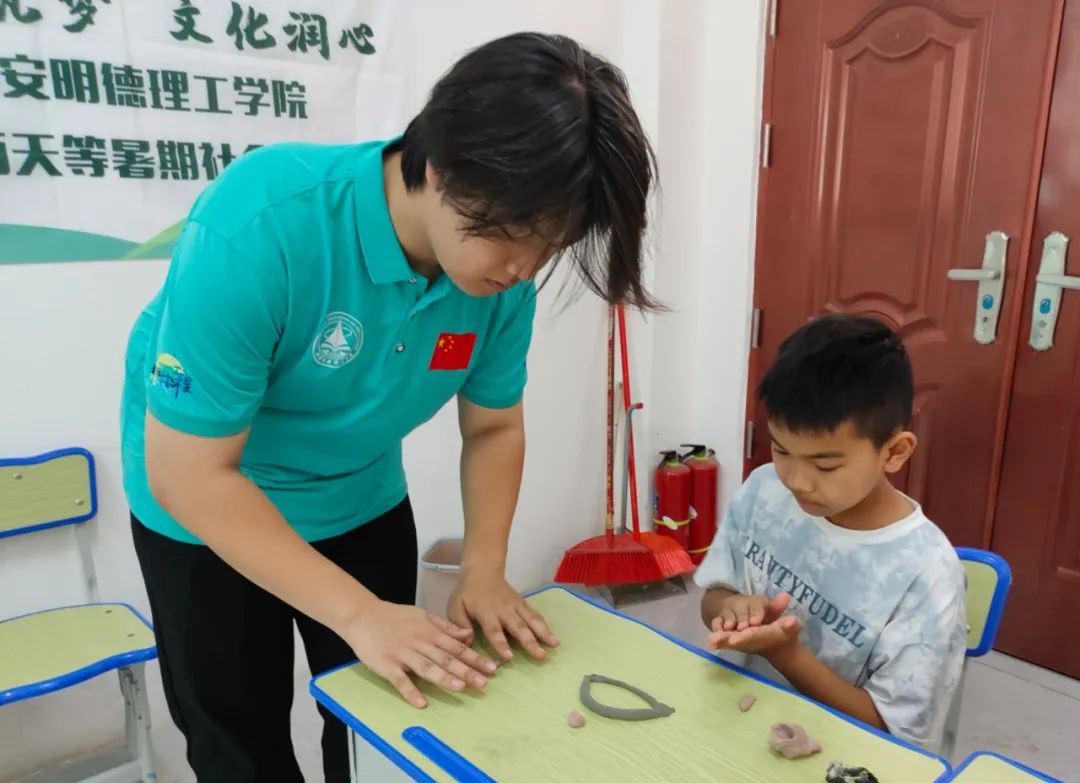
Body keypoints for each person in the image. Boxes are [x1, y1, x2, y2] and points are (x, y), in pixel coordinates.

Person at [119, 32, 659, 782]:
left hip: (356, 495)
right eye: (514, 235)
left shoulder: (500, 286)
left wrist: (483, 567)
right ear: (441, 166)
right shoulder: (260, 224)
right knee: (239, 744)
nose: (523, 269)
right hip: (207, 512)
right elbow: (191, 473)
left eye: (551, 245)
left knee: (383, 721)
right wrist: (359, 613)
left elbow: (494, 426)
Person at [695, 313, 966, 749]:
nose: (796, 481)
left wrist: (786, 654)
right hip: (741, 722)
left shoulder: (926, 573)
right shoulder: (764, 489)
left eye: (825, 465)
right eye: (781, 450)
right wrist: (731, 608)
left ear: (894, 452)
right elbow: (714, 597)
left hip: (844, 755)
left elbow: (895, 737)